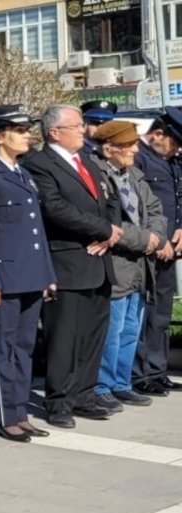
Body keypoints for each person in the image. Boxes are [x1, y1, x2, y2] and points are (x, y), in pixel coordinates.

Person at [21, 104, 121, 428]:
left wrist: (110, 233)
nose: (83, 130)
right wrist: (101, 229)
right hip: (67, 262)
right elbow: (54, 208)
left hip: (99, 260)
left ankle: (84, 394)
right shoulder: (39, 164)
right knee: (64, 337)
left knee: (93, 334)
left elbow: (110, 200)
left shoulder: (87, 161)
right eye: (76, 125)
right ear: (54, 132)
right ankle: (59, 401)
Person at [0, 106, 58, 442]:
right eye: (19, 130)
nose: (26, 135)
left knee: (24, 347)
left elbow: (36, 229)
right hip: (5, 278)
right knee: (3, 349)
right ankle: (6, 415)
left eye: (26, 129)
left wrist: (46, 273)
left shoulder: (22, 173)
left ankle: (20, 411)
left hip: (30, 274)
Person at [90, 120, 165, 412]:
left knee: (131, 328)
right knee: (113, 330)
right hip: (116, 263)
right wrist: (145, 239)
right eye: (128, 145)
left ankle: (122, 383)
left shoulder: (133, 174)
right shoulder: (97, 173)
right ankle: (103, 385)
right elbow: (109, 222)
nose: (135, 150)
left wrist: (156, 237)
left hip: (140, 266)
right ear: (109, 149)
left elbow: (156, 209)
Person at [133, 108, 182, 397]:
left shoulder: (172, 161)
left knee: (161, 312)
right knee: (144, 312)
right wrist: (159, 239)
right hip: (148, 247)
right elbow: (138, 208)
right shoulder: (138, 158)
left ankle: (157, 370)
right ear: (157, 134)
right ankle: (139, 374)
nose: (176, 148)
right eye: (173, 142)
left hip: (170, 248)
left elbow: (178, 198)